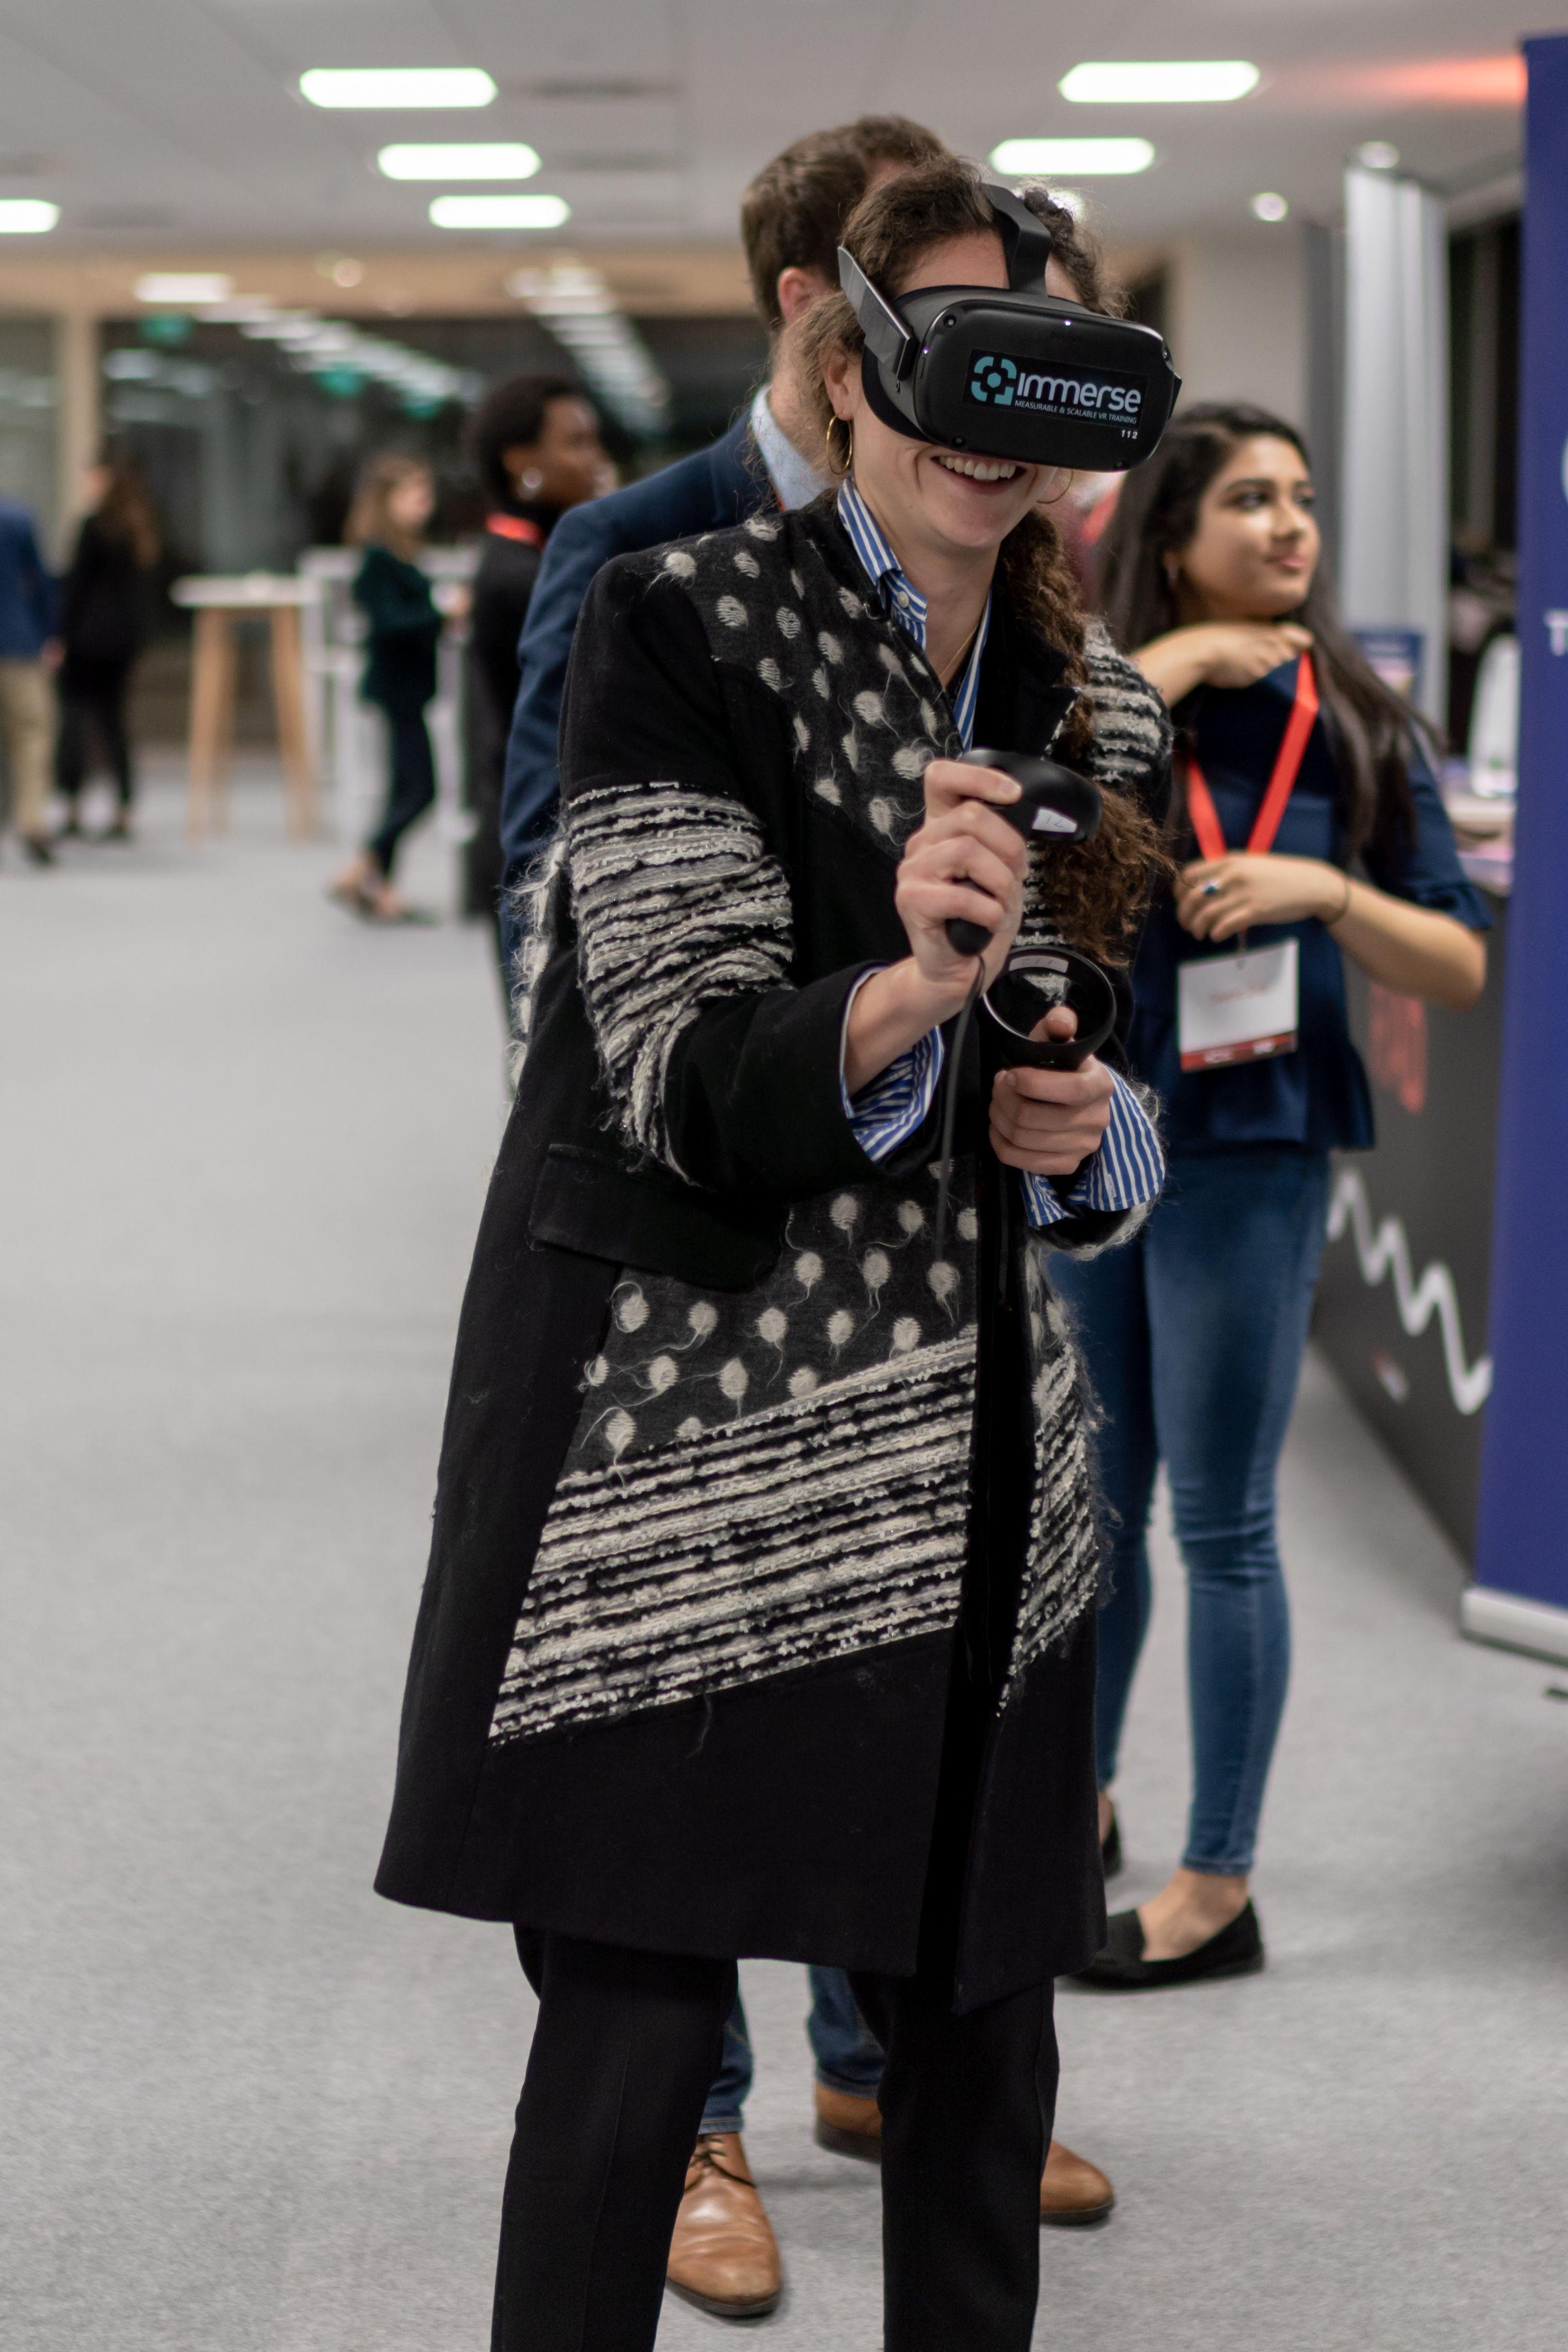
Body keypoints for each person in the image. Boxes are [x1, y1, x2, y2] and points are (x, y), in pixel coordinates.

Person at [374, 159, 1174, 2352]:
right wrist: (903, 997)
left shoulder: (1102, 723)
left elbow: (1125, 1103)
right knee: (636, 2039)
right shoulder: (680, 618)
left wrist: (1098, 1139)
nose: (994, 421)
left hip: (984, 1444)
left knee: (984, 2053)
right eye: (948, 361)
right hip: (685, 1432)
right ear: (847, 368)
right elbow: (670, 1063)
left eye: (1047, 369)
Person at [1057, 403, 1489, 1991]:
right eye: (1246, 500)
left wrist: (1323, 890)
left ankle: (1213, 1886)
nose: (1286, 527)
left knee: (1219, 1521)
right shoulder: (1096, 705)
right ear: (1167, 537)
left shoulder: (1359, 718)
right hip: (1084, 1132)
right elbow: (1007, 838)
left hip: (1248, 1141)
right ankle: (1069, 1812)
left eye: (1299, 499)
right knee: (1088, 1513)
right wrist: (1154, 681)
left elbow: (1449, 956)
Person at [463, 374, 605, 992]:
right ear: (521, 462)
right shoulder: (520, 574)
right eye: (575, 443)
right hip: (537, 836)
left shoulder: (544, 556)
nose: (596, 461)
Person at [330, 454, 457, 924]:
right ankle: (362, 864)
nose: (425, 504)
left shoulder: (401, 551)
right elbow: (386, 623)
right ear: (387, 501)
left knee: (401, 789)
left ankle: (379, 887)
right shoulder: (377, 557)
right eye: (414, 495)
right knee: (420, 789)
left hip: (411, 688)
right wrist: (443, 614)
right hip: (397, 689)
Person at [54, 450, 159, 843]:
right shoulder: (139, 529)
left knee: (76, 720)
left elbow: (75, 588)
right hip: (123, 640)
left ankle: (72, 804)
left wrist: (59, 636)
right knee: (114, 723)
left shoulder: (92, 527)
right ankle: (124, 807)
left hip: (87, 637)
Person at [0, 491, 58, 866]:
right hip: (17, 643)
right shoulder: (16, 518)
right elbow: (40, 581)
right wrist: (49, 634)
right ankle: (32, 820)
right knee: (31, 733)